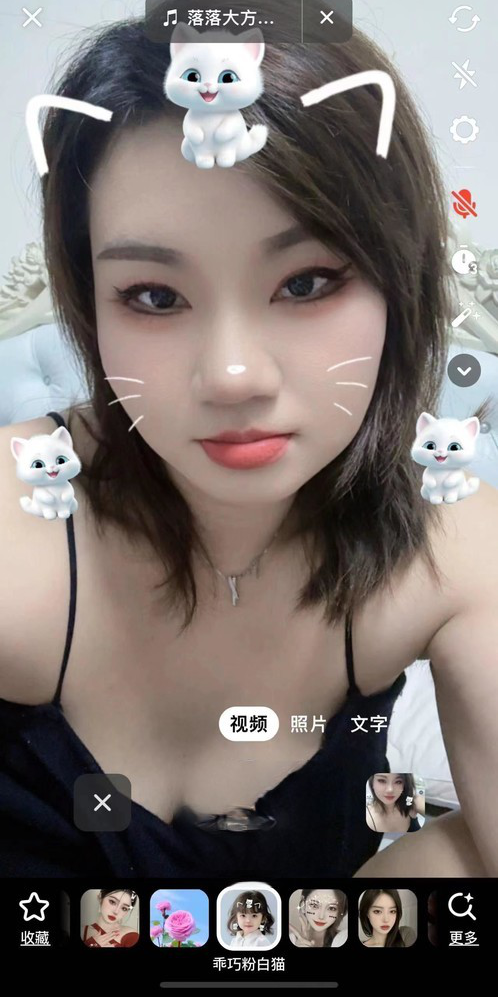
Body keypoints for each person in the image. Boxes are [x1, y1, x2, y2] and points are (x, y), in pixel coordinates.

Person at [0, 0, 496, 880]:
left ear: (399, 275)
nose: (232, 376)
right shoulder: (23, 532)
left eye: (306, 282)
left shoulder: (448, 544)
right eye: (155, 296)